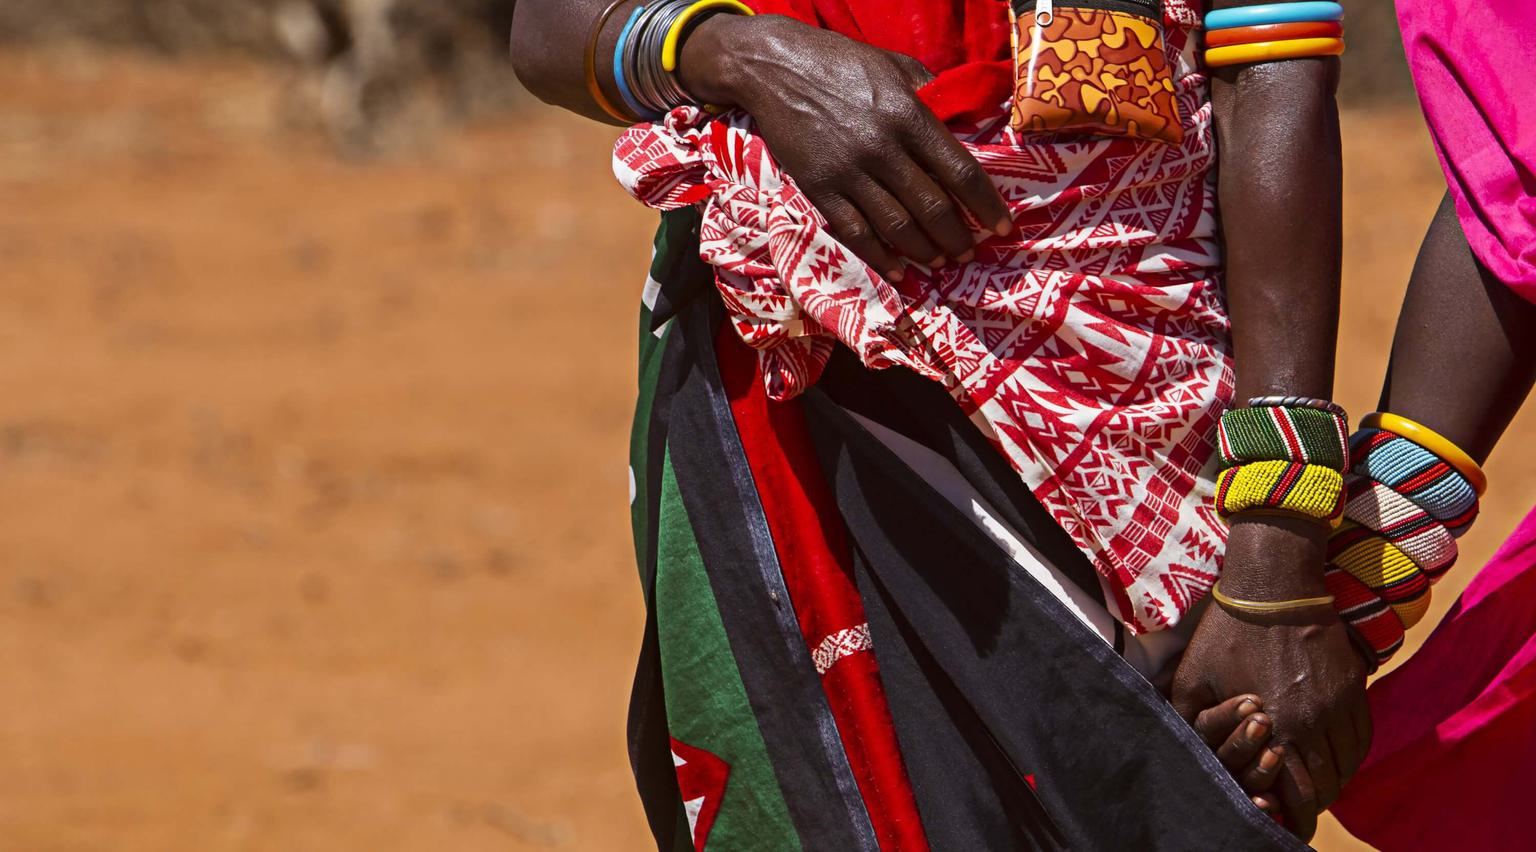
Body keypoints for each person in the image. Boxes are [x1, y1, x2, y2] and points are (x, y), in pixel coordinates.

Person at [512, 0, 1358, 846]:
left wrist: (1275, 567)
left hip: (1149, 449)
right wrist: (747, 54)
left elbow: (1273, 73)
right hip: (797, 404)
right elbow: (549, 30)